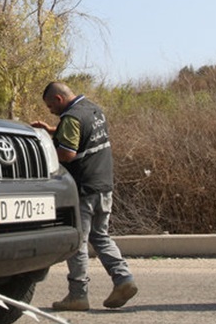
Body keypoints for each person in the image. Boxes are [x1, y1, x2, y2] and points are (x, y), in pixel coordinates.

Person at [31, 82, 138, 311]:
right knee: (100, 236)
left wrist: (44, 150)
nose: (51, 110)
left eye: (51, 106)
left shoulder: (71, 118)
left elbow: (68, 153)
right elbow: (85, 137)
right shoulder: (94, 110)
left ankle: (78, 294)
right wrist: (53, 130)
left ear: (59, 99)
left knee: (78, 241)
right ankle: (124, 279)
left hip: (83, 189)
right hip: (103, 185)